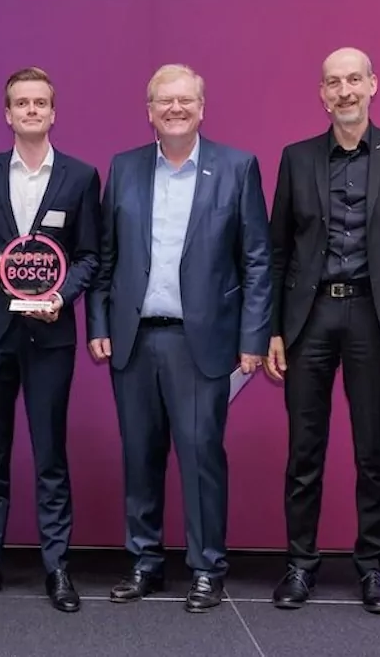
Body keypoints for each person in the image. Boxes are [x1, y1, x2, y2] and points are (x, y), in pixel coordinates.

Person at [87, 64, 271, 613]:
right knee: (140, 456)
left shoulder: (237, 168)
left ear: (201, 107)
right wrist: (98, 324)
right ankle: (144, 562)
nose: (175, 108)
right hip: (135, 340)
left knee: (200, 457)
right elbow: (105, 257)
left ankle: (207, 568)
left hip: (203, 344)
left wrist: (254, 337)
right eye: (164, 100)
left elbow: (257, 261)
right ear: (148, 111)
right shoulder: (122, 169)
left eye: (185, 100)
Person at [263, 47, 380, 612]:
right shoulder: (296, 157)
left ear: (372, 84)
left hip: (372, 317)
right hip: (309, 320)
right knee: (304, 451)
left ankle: (372, 568)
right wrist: (274, 330)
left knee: (374, 452)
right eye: (333, 82)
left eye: (353, 80)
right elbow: (277, 250)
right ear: (321, 93)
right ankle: (300, 564)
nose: (344, 91)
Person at [0, 67, 101, 612]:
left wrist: (65, 295)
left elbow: (89, 257)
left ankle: (57, 566)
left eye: (40, 103)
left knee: (51, 454)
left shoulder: (81, 178)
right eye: (21, 103)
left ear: (53, 112)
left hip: (51, 333)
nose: (31, 110)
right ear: (7, 114)